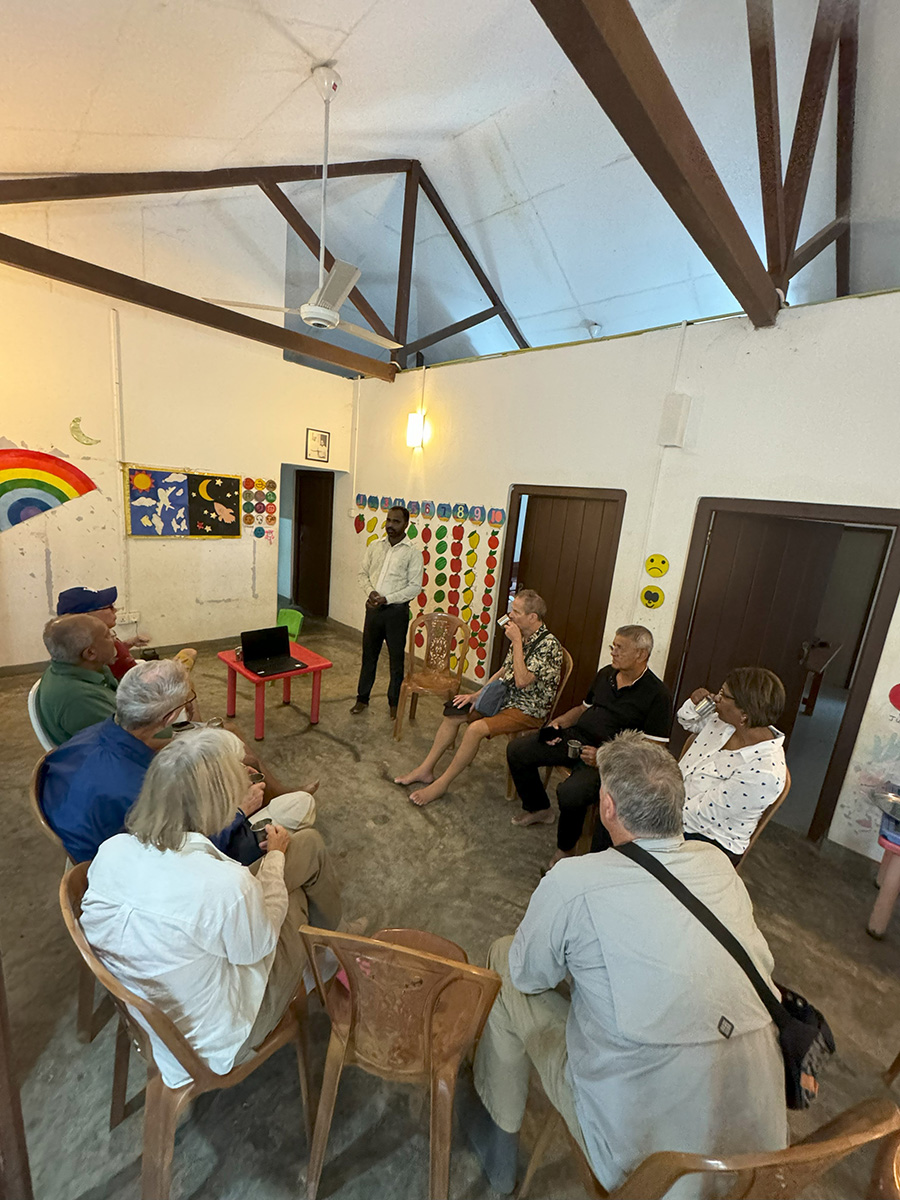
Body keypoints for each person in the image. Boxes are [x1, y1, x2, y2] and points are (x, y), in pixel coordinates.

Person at [462, 731, 787, 1196]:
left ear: (608, 807)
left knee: (504, 958)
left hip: (652, 1168)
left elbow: (529, 976)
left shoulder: (573, 881)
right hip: (759, 1161)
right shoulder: (718, 866)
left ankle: (494, 1135)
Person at [80, 727, 342, 1089]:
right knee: (293, 889)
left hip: (155, 1023)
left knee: (292, 864)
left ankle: (326, 950)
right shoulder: (224, 886)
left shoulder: (112, 850)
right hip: (218, 1043)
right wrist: (276, 861)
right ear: (220, 804)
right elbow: (257, 945)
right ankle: (327, 958)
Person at [39, 659, 314, 866]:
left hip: (92, 846)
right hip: (148, 868)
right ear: (171, 718)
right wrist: (239, 811)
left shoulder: (86, 739)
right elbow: (186, 849)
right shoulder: (144, 790)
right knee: (302, 805)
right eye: (188, 701)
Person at [506, 625, 671, 865]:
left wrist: (605, 755)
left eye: (620, 648)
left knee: (570, 792)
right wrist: (558, 724)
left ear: (641, 654)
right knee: (518, 750)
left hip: (610, 759)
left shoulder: (657, 695)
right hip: (577, 738)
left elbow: (655, 748)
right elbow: (583, 709)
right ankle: (539, 807)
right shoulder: (606, 674)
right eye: (613, 646)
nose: (613, 652)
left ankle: (566, 848)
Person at [395, 589, 563, 807]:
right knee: (454, 711)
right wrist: (477, 695)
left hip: (527, 709)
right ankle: (425, 769)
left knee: (475, 730)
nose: (510, 616)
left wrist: (517, 643)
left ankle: (442, 784)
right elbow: (504, 670)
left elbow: (521, 680)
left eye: (516, 612)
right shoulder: (522, 634)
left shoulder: (549, 645)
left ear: (533, 617)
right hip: (504, 697)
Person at [677, 667, 786, 864]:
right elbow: (687, 721)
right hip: (675, 804)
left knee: (624, 829)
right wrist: (695, 704)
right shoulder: (724, 722)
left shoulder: (765, 773)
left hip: (708, 840)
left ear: (744, 713)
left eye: (723, 696)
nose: (716, 699)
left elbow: (702, 814)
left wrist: (652, 815)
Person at [350, 506, 424, 719]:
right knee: (368, 657)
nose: (390, 525)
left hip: (396, 613)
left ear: (406, 524)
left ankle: (394, 703)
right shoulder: (375, 546)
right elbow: (362, 574)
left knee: (396, 660)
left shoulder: (413, 552)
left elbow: (414, 587)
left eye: (396, 522)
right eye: (388, 520)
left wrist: (387, 599)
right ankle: (362, 699)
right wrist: (371, 592)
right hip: (373, 611)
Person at [56, 584, 196, 681]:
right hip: (138, 687)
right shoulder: (91, 647)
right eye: (109, 607)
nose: (115, 610)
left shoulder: (89, 643)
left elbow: (111, 656)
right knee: (187, 666)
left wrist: (129, 643)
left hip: (136, 677)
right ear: (86, 616)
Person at [36, 614, 119, 745]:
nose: (115, 639)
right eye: (108, 636)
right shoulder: (80, 700)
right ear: (90, 653)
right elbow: (129, 741)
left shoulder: (88, 669)